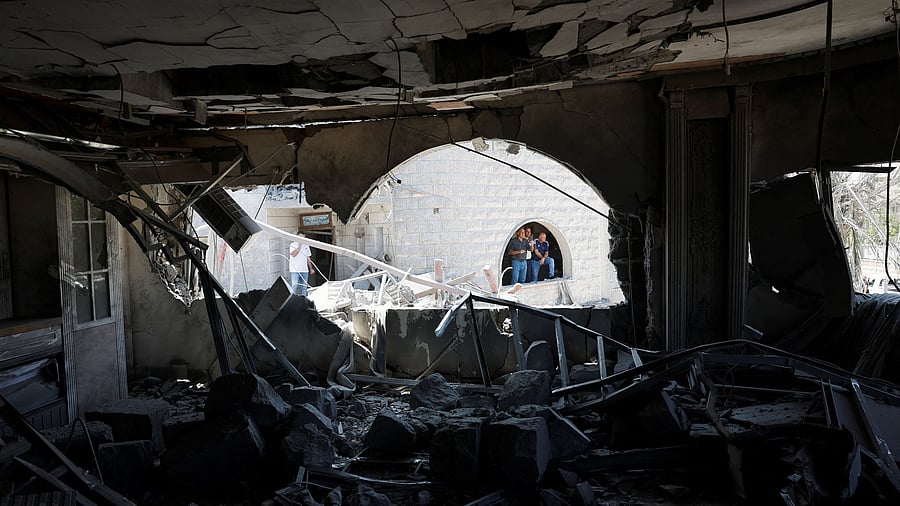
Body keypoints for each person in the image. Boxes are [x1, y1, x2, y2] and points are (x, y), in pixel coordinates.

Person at [289, 231, 314, 296]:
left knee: (304, 287)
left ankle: (304, 301)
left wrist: (311, 268)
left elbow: (308, 258)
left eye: (303, 238)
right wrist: (299, 246)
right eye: (300, 237)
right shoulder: (292, 245)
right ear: (297, 237)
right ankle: (292, 300)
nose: (302, 239)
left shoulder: (306, 246)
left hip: (304, 270)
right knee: (294, 286)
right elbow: (293, 254)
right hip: (295, 270)